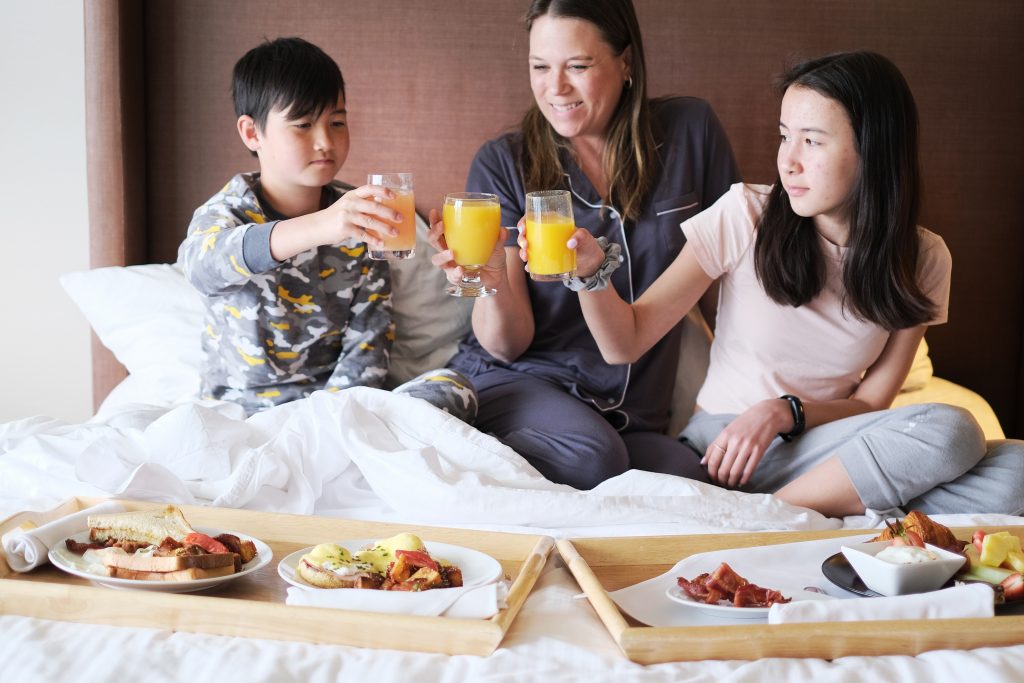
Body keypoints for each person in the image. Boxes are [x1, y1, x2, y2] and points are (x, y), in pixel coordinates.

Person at [565, 50, 1024, 516]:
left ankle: (780, 513)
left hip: (823, 444)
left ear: (874, 148)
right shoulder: (745, 215)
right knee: (953, 430)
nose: (789, 161)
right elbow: (624, 342)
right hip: (729, 446)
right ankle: (770, 519)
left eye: (813, 141)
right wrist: (589, 274)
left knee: (1018, 472)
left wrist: (786, 410)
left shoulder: (925, 258)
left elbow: (870, 402)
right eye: (785, 137)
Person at [427, 0, 739, 489]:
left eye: (578, 65)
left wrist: (760, 399)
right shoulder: (505, 162)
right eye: (539, 67)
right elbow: (508, 342)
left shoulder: (690, 132)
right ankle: (438, 417)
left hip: (631, 413)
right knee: (592, 457)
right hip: (523, 382)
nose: (556, 87)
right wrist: (487, 281)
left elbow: (727, 288)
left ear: (626, 62)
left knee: (693, 483)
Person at [178, 37, 476, 421]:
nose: (325, 142)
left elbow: (369, 341)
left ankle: (321, 449)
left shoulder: (359, 212)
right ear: (252, 133)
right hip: (244, 414)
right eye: (302, 125)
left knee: (454, 389)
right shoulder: (228, 213)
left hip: (333, 411)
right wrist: (322, 225)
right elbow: (202, 267)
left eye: (336, 122)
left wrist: (326, 418)